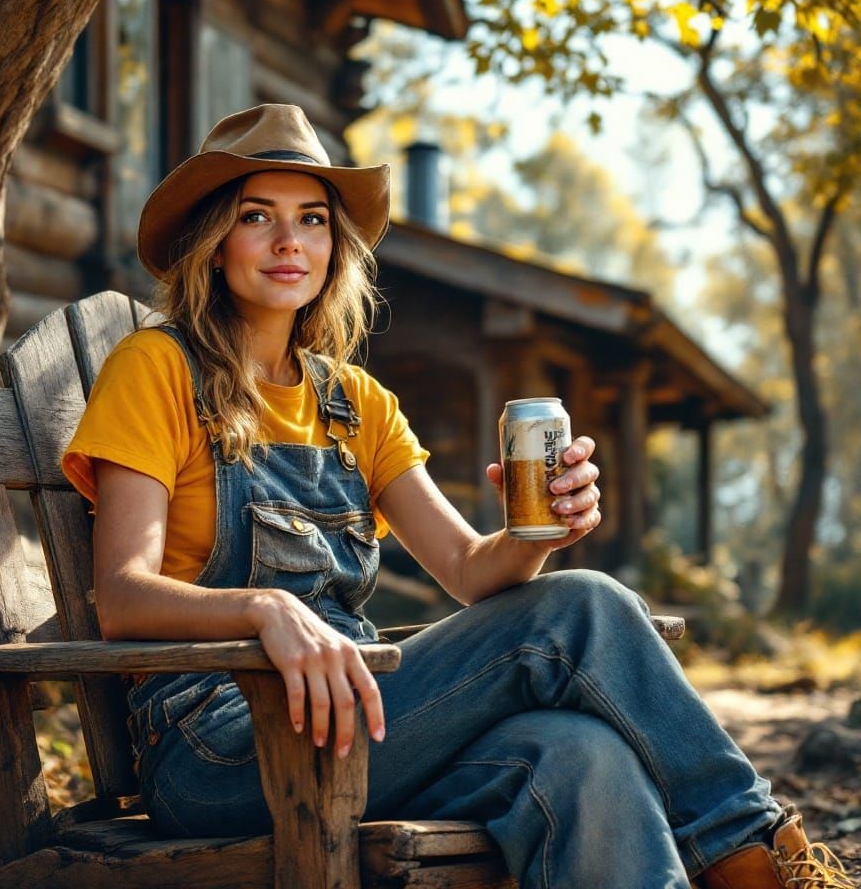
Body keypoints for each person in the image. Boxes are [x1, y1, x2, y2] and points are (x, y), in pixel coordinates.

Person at [62, 103, 853, 889]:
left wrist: (538, 532)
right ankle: (758, 853)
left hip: (363, 719)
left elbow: (472, 571)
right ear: (213, 241)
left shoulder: (356, 404)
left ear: (334, 245)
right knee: (582, 606)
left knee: (580, 756)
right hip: (217, 746)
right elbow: (123, 598)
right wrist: (264, 608)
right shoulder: (157, 369)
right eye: (255, 216)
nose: (288, 241)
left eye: (312, 219)